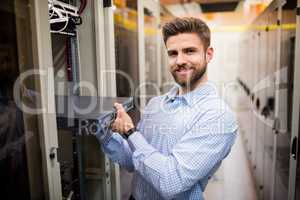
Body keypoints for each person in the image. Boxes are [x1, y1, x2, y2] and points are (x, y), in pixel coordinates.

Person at [96, 17, 237, 200]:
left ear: (208, 54)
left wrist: (131, 133)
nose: (180, 60)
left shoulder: (217, 116)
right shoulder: (157, 104)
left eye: (189, 51)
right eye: (173, 53)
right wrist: (104, 130)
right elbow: (133, 160)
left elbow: (171, 182)